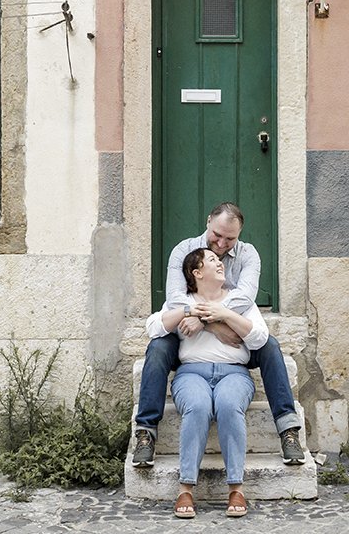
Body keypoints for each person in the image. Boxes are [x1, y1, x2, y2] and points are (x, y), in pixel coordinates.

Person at [130, 202, 305, 470]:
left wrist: (215, 317)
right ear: (208, 221)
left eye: (230, 239)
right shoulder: (183, 250)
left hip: (233, 330)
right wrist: (211, 323)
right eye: (217, 235)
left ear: (239, 234)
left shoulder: (248, 255)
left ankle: (288, 429)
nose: (222, 244)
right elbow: (176, 298)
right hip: (190, 331)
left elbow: (245, 296)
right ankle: (145, 433)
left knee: (269, 345)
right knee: (158, 347)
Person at [145, 247, 268, 518]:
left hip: (234, 373)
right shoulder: (182, 300)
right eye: (212, 260)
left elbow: (259, 338)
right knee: (198, 406)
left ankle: (236, 488)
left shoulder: (238, 300)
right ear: (197, 273)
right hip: (191, 373)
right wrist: (189, 311)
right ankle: (185, 489)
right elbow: (154, 328)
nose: (220, 263)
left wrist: (224, 314)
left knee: (227, 404)